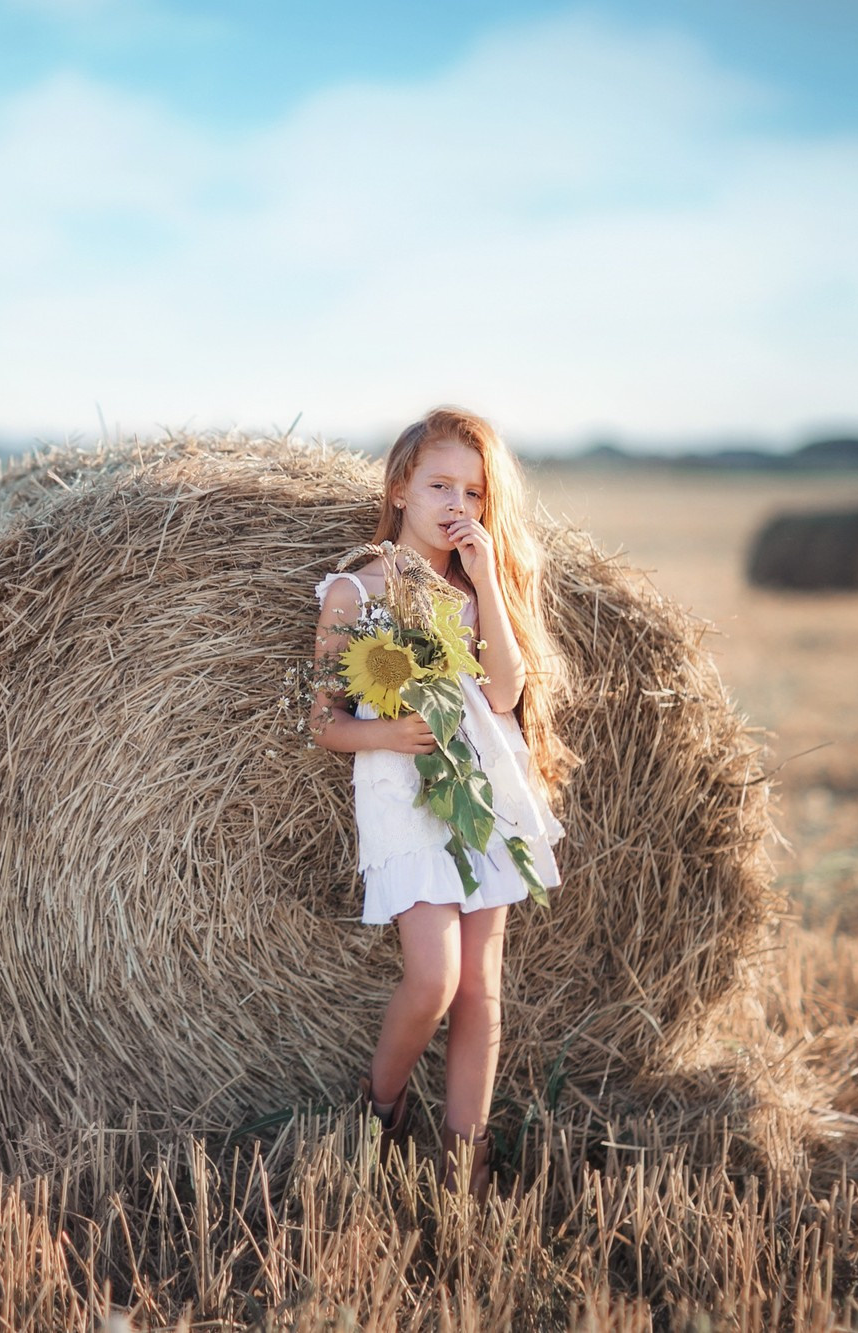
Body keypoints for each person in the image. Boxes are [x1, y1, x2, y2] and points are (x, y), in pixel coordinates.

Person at [308, 405, 571, 1198]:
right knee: (434, 979)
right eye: (441, 485)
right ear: (400, 488)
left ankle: (467, 1161)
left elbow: (502, 691)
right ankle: (375, 1112)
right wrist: (388, 735)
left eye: (476, 492)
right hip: (403, 794)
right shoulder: (355, 593)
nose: (460, 503)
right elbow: (324, 722)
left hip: (485, 790)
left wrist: (488, 577)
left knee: (480, 989)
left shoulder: (475, 591)